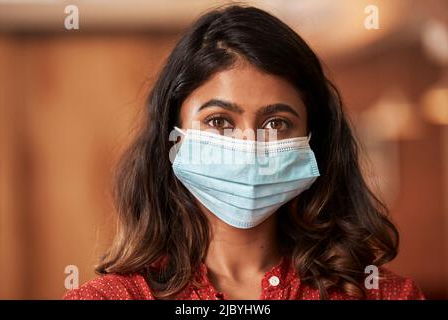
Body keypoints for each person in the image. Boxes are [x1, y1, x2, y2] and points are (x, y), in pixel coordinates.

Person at [63, 5, 424, 300]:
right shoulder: (109, 298)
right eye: (220, 121)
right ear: (172, 137)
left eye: (276, 123)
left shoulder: (384, 295)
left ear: (313, 140)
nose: (249, 145)